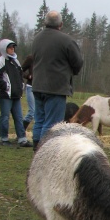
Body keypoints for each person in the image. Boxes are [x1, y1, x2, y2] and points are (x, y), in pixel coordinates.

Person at [31, 10, 84, 150]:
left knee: (39, 120)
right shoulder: (66, 41)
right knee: (52, 124)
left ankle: (36, 147)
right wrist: (72, 72)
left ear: (45, 23)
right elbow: (78, 62)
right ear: (60, 24)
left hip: (36, 85)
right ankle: (45, 152)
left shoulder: (36, 39)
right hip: (55, 87)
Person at [0, 39, 32, 148]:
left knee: (19, 117)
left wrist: (20, 87)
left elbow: (20, 75)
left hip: (16, 95)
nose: (12, 49)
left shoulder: (15, 61)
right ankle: (4, 138)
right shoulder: (0, 62)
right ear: (4, 49)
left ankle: (22, 139)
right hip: (5, 95)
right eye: (10, 47)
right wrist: (6, 87)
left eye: (13, 47)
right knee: (5, 117)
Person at [21, 54, 35, 130]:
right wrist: (28, 76)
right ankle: (21, 133)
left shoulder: (47, 59)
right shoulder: (31, 58)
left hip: (42, 89)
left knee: (39, 114)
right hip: (31, 87)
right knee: (32, 112)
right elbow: (20, 70)